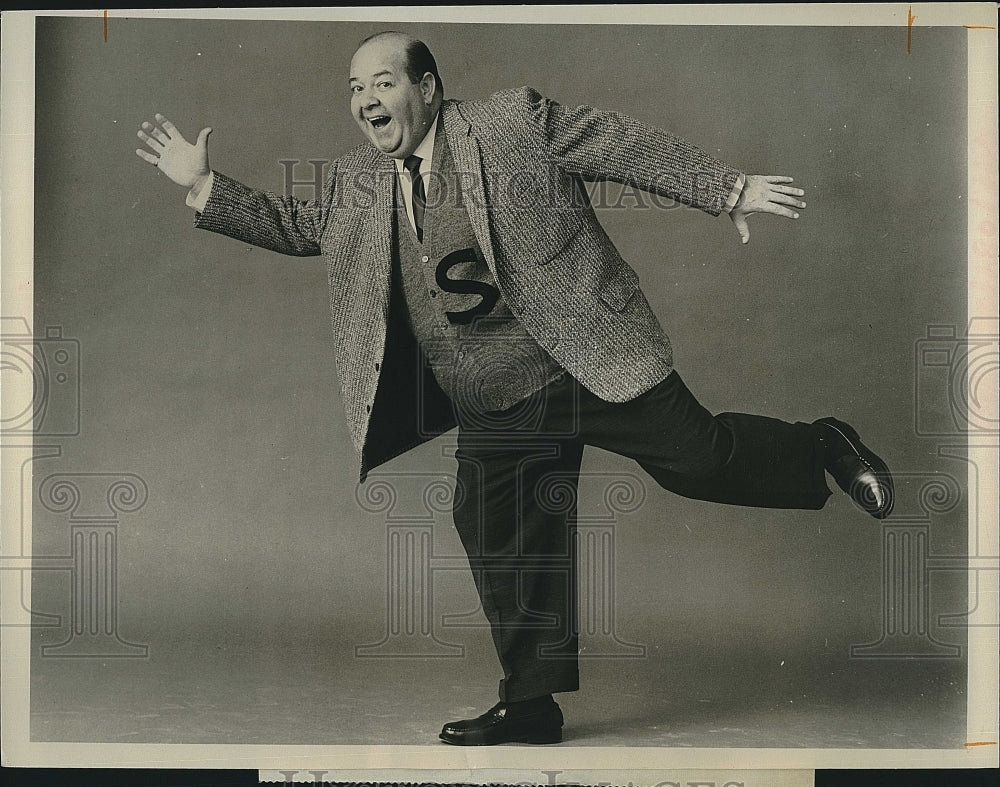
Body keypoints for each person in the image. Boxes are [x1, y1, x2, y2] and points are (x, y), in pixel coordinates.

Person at [135, 30, 894, 746]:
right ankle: (531, 703)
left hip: (585, 352)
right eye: (355, 87)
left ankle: (820, 445)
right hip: (493, 392)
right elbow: (299, 226)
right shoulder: (358, 179)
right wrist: (204, 186)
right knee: (497, 527)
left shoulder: (510, 123)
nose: (367, 99)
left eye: (384, 82)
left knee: (698, 461)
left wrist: (725, 189)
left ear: (428, 88)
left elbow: (619, 143)